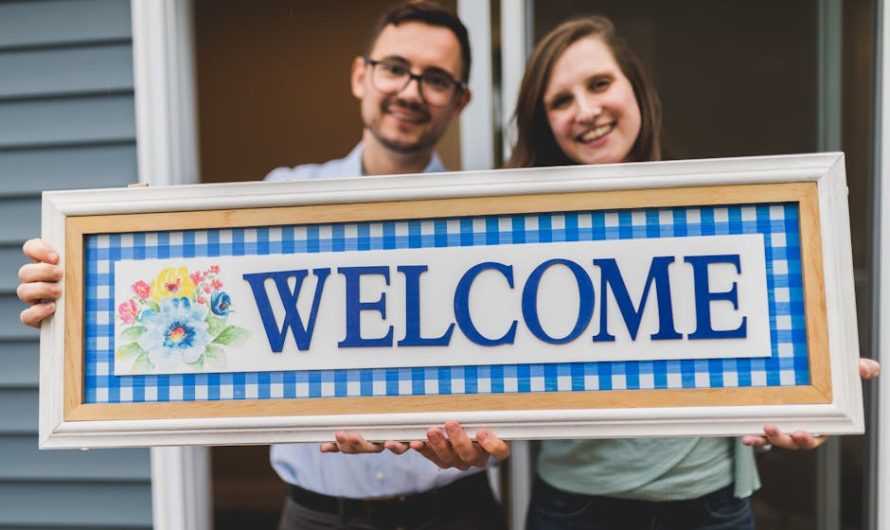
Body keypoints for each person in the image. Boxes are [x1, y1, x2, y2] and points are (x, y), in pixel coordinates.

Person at [17, 3, 507, 530]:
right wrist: (74, 291)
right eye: (395, 68)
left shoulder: (489, 226)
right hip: (317, 515)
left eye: (436, 79)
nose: (411, 91)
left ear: (461, 101)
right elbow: (189, 298)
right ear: (360, 76)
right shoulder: (281, 200)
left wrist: (487, 440)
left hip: (457, 512)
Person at [381, 14, 881, 529]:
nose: (586, 110)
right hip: (575, 510)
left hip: (711, 504)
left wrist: (815, 392)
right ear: (545, 123)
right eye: (561, 100)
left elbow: (768, 351)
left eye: (600, 84)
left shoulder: (717, 214)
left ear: (635, 90)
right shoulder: (519, 237)